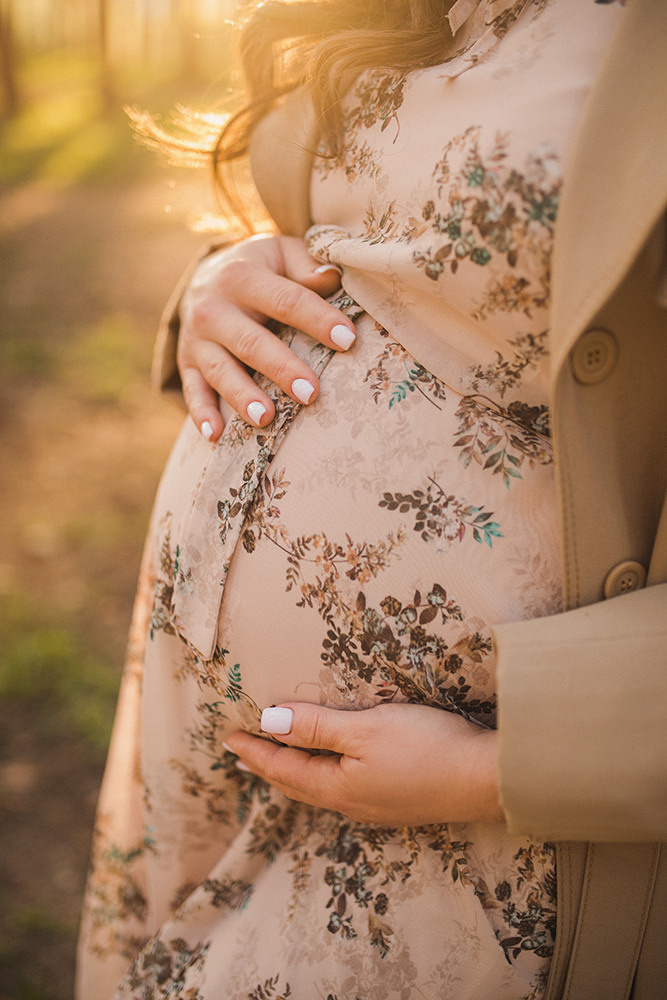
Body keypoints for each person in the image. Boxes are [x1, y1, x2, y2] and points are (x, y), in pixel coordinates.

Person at [76, 1, 667, 997]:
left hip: (472, 819)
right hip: (215, 759)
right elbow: (388, 246)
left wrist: (498, 768)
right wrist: (224, 279)